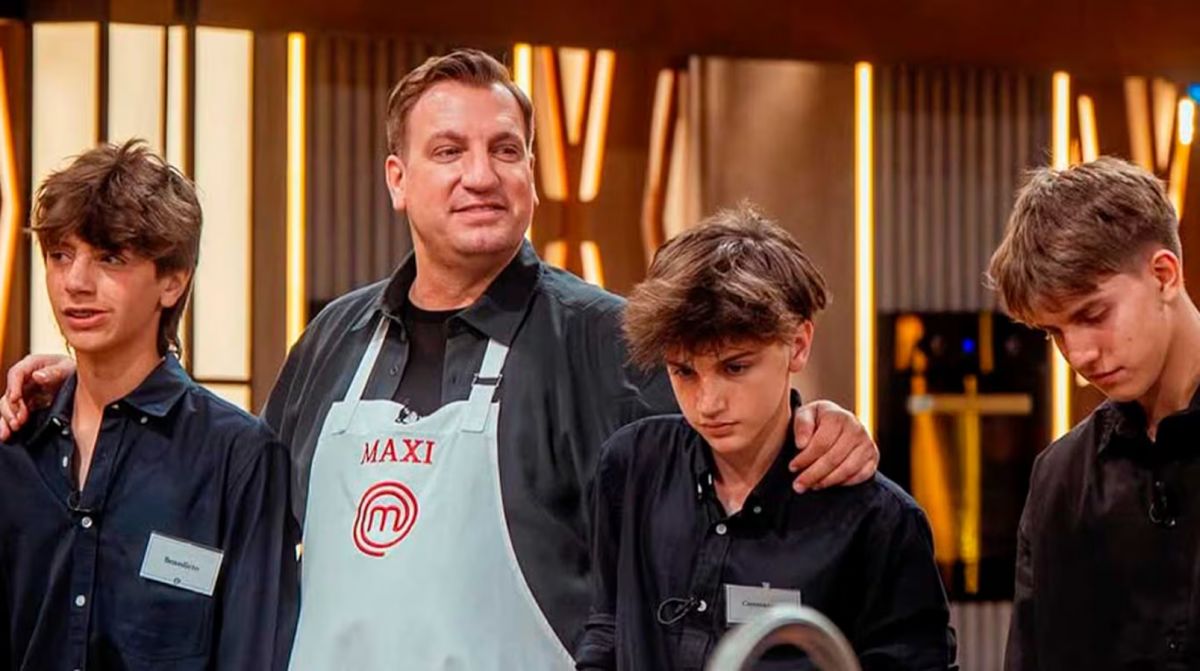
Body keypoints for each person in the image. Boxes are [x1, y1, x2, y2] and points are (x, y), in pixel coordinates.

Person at [1, 51, 879, 668]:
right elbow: (228, 490)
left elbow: (730, 490)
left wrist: (815, 422)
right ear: (397, 179)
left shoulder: (606, 339)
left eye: (506, 150)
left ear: (532, 173)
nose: (481, 175)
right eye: (449, 151)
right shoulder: (333, 338)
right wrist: (94, 383)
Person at [576, 206, 955, 670]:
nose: (707, 403)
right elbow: (607, 628)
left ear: (798, 344)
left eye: (735, 367)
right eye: (684, 372)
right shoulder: (632, 464)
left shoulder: (878, 522)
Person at [0, 140, 298, 670]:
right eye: (60, 255)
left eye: (109, 258)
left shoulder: (238, 457)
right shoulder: (15, 444)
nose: (75, 282)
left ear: (172, 282)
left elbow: (254, 654)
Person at [988, 157, 1200, 669]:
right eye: (1055, 332)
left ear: (1164, 275)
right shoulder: (1057, 477)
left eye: (1093, 314)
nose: (1079, 355)